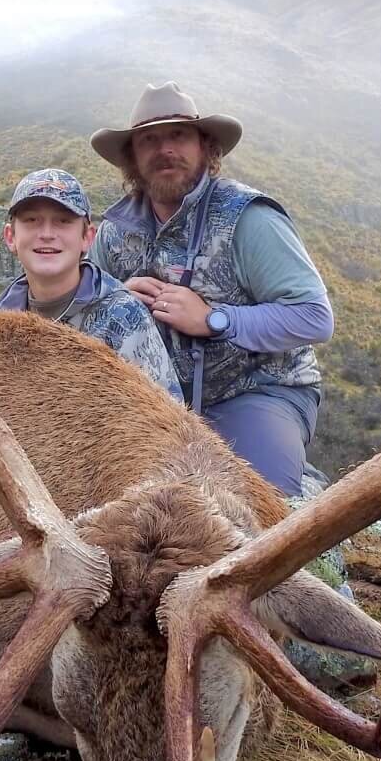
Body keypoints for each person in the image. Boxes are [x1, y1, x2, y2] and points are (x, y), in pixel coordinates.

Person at [89, 83, 331, 495]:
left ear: (205, 146)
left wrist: (214, 319)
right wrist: (118, 299)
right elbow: (83, 315)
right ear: (133, 156)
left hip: (256, 390)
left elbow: (314, 317)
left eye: (178, 136)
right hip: (154, 402)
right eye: (149, 139)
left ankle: (294, 475)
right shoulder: (113, 234)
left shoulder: (248, 219)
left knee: (254, 505)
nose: (165, 149)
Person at [0, 168, 184, 402]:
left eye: (63, 221)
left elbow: (169, 418)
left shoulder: (123, 318)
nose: (47, 234)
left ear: (87, 237)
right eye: (32, 220)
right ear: (11, 237)